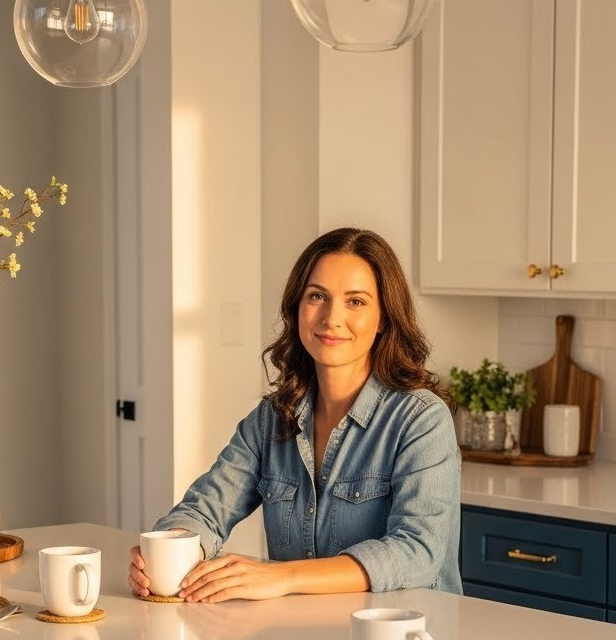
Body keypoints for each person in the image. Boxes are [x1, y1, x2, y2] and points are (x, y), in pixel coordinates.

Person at [128, 228, 462, 603]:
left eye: (356, 302)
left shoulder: (420, 420)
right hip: (302, 630)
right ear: (296, 307)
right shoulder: (271, 418)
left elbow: (417, 551)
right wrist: (167, 551)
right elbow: (206, 509)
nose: (332, 318)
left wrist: (282, 576)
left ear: (383, 317)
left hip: (405, 633)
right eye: (317, 296)